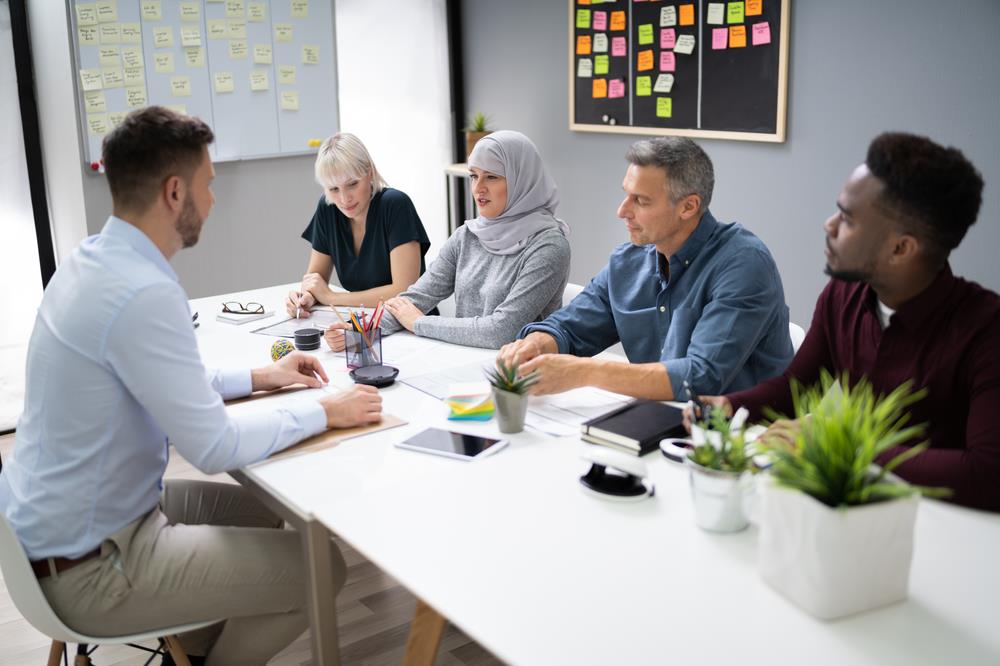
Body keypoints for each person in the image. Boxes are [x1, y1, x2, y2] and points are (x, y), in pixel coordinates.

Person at [0, 107, 383, 665]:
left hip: (48, 536)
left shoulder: (92, 262)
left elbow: (160, 378)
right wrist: (328, 410)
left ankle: (200, 643)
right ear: (175, 192)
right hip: (92, 566)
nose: (214, 198)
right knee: (325, 565)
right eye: (208, 184)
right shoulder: (144, 291)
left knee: (266, 510)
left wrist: (261, 376)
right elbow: (213, 447)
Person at [690, 132, 1000, 512]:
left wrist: (840, 445)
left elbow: (988, 473)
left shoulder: (987, 330)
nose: (829, 225)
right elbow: (797, 388)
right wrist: (727, 406)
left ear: (901, 248)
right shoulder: (843, 294)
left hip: (947, 528)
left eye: (848, 220)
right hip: (845, 510)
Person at [498, 137, 792, 399]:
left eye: (640, 200)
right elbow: (569, 328)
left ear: (688, 207)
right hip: (659, 425)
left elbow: (701, 378)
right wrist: (537, 343)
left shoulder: (744, 265)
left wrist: (583, 372)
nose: (622, 211)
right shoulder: (627, 262)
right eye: (626, 194)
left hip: (745, 441)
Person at [324, 130, 571, 350]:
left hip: (519, 377)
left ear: (521, 179)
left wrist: (419, 323)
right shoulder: (468, 236)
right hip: (459, 361)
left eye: (492, 177)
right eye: (474, 176)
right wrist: (359, 329)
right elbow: (415, 298)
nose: (478, 188)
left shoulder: (548, 245)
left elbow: (501, 331)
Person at [286, 132, 431, 315]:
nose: (344, 199)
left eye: (352, 184)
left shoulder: (395, 205)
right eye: (334, 189)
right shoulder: (327, 208)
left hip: (410, 325)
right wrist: (305, 298)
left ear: (369, 171)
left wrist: (331, 298)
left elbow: (403, 292)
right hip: (365, 323)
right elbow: (315, 281)